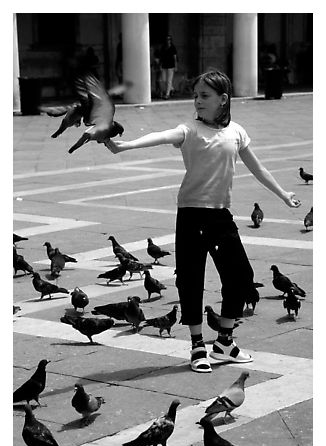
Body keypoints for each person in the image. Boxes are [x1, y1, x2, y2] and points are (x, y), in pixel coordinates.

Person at [102, 70, 301, 373]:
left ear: (223, 99)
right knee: (191, 279)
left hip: (221, 215)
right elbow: (161, 136)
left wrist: (284, 194)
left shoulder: (236, 131)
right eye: (195, 95)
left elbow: (257, 168)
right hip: (192, 214)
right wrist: (123, 146)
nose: (197, 101)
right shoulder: (190, 130)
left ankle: (224, 340)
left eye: (204, 96)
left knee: (241, 277)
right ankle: (197, 345)